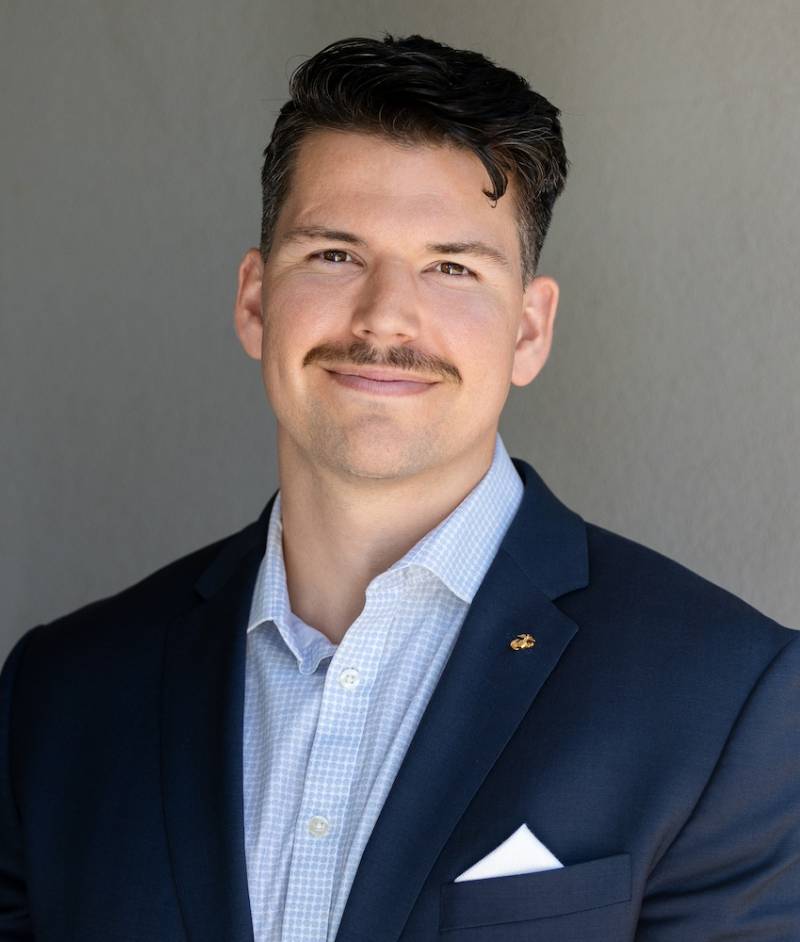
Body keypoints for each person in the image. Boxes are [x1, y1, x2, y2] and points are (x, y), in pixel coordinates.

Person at [1, 32, 798, 942]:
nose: (385, 316)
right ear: (256, 301)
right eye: (335, 255)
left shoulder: (728, 698)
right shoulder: (57, 700)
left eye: (451, 267)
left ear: (530, 331)